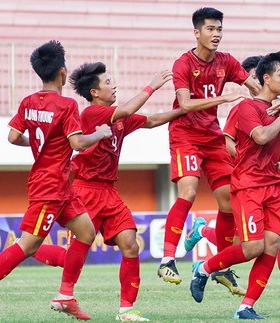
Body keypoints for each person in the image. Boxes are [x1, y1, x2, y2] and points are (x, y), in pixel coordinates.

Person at [0, 40, 113, 322]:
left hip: (60, 186)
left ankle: (65, 295)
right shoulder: (67, 105)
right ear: (63, 73)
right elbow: (78, 143)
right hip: (50, 186)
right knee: (28, 245)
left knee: (87, 233)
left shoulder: (28, 102)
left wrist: (42, 145)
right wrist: (101, 133)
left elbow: (13, 137)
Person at [29, 61, 179, 321]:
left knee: (130, 244)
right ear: (95, 92)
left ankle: (126, 310)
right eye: (108, 82)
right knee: (73, 256)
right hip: (85, 190)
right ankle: (30, 249)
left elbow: (152, 120)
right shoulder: (90, 115)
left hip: (109, 192)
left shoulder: (117, 118)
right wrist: (152, 86)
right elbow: (131, 107)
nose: (114, 85)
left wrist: (184, 110)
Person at [189, 49, 280, 319]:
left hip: (273, 188)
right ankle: (203, 268)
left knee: (276, 240)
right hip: (247, 187)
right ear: (266, 78)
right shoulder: (247, 108)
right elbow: (259, 137)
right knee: (251, 248)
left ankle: (246, 306)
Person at [158, 6, 264, 293]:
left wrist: (268, 101)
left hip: (212, 137)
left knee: (229, 201)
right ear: (196, 32)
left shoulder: (226, 61)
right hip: (185, 134)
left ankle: (220, 266)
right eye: (210, 29)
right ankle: (168, 258)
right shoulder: (183, 64)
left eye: (219, 29)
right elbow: (185, 104)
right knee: (189, 191)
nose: (216, 34)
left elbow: (252, 84)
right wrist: (224, 98)